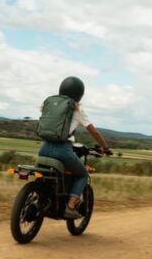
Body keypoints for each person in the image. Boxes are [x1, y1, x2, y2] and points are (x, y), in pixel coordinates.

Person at [38, 76, 113, 219]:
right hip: (63, 151)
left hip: (44, 148)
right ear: (79, 94)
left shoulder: (50, 105)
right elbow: (94, 131)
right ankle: (70, 207)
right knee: (83, 175)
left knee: (45, 177)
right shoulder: (77, 109)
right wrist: (105, 147)